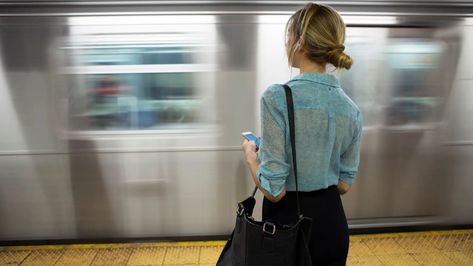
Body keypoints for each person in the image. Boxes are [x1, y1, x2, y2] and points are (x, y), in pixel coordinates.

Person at [242, 3, 363, 265]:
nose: (286, 42)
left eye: (289, 35)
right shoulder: (351, 109)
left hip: (288, 229)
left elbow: (275, 190)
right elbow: (344, 184)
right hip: (332, 227)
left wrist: (251, 157)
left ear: (301, 42)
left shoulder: (276, 97)